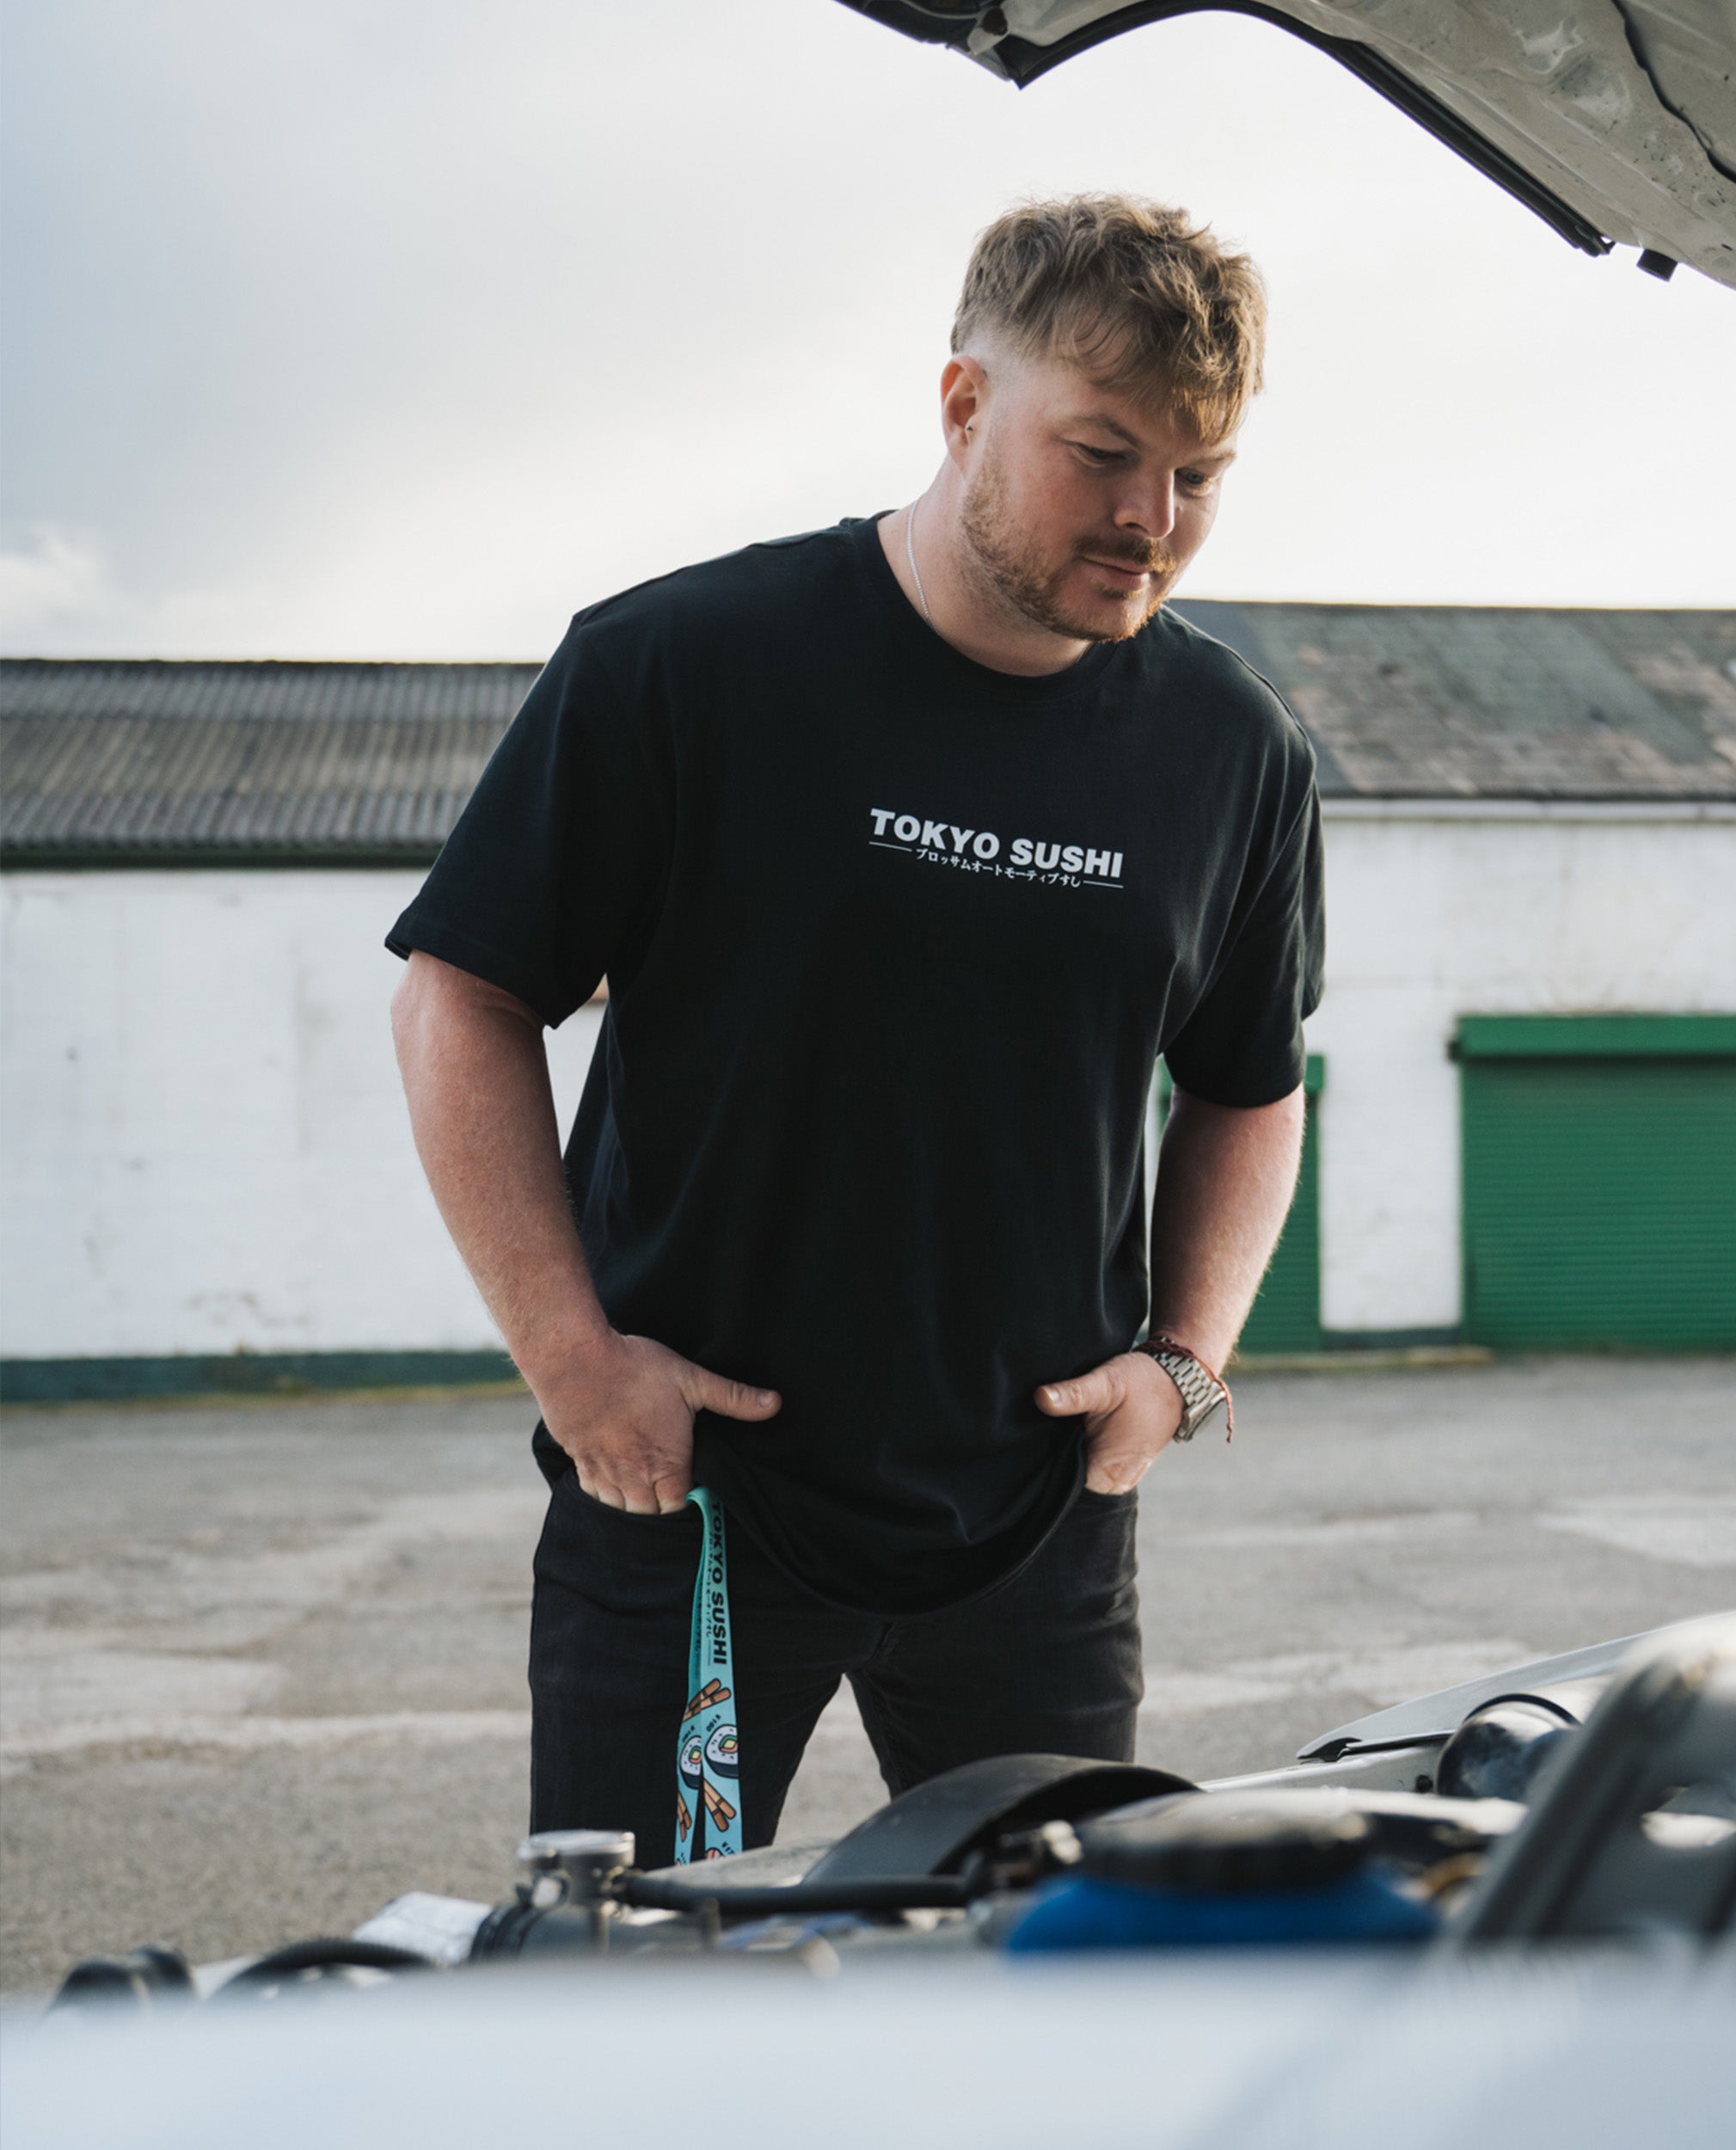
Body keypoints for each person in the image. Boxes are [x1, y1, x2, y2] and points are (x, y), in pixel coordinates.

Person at [387, 194, 1324, 1862]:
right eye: (1102, 452)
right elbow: (459, 994)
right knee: (625, 2014)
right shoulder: (685, 665)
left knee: (1041, 2014)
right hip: (686, 1499)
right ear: (962, 405)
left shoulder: (1226, 750)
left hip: (1034, 1519)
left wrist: (1182, 1362)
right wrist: (572, 1361)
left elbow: (1251, 1083)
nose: (1151, 519)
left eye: (1199, 474)